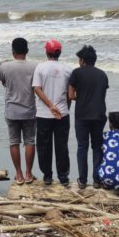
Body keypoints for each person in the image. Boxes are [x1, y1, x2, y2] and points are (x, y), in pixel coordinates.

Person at [68, 45, 109, 189]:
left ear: (82, 60)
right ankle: (97, 180)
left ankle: (82, 180)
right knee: (97, 147)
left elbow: (70, 95)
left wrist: (80, 96)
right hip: (99, 114)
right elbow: (101, 94)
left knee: (82, 146)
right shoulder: (103, 74)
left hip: (82, 115)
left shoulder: (76, 73)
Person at [32, 39, 72, 186]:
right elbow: (70, 93)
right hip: (62, 113)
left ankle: (47, 176)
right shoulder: (68, 69)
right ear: (60, 52)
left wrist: (49, 106)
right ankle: (63, 177)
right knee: (62, 145)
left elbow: (37, 88)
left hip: (43, 113)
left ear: (46, 52)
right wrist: (64, 108)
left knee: (44, 146)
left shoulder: (40, 68)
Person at [0, 38, 38, 185]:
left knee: (14, 142)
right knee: (30, 141)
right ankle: (29, 174)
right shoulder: (35, 66)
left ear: (13, 51)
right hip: (29, 109)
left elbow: (4, 83)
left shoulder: (4, 66)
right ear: (27, 51)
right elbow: (37, 86)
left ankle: (19, 174)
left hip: (11, 110)